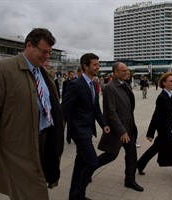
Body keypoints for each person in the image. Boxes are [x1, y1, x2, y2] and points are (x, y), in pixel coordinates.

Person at [0, 28, 65, 200]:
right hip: (18, 148)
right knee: (34, 192)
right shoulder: (3, 69)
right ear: (29, 46)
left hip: (45, 141)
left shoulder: (43, 73)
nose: (47, 57)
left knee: (29, 189)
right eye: (43, 52)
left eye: (49, 53)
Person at [61, 53, 110, 200]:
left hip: (88, 130)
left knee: (80, 162)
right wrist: (59, 131)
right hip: (79, 131)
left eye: (98, 64)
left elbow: (95, 108)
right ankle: (78, 194)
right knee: (92, 162)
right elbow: (64, 109)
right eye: (95, 64)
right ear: (85, 66)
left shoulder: (94, 84)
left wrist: (103, 124)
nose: (98, 67)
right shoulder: (75, 84)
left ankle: (74, 194)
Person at [137, 72, 172, 187]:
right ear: (164, 83)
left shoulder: (171, 94)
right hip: (164, 130)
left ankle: (139, 164)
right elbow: (156, 115)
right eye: (171, 81)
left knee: (155, 149)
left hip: (169, 128)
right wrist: (150, 133)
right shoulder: (162, 97)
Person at [95, 62, 144, 192]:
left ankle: (130, 180)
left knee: (131, 154)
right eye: (123, 71)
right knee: (110, 156)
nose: (127, 73)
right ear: (116, 73)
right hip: (119, 130)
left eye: (127, 70)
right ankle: (87, 169)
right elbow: (111, 112)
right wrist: (122, 131)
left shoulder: (125, 85)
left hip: (129, 128)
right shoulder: (110, 88)